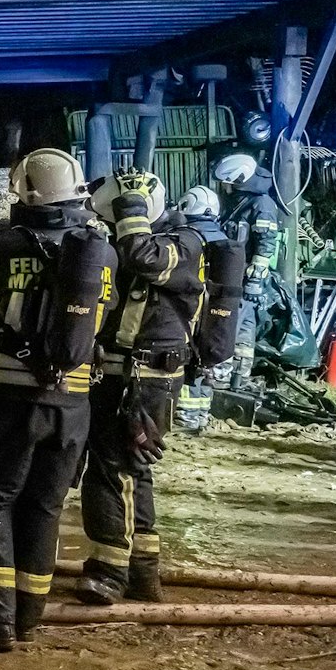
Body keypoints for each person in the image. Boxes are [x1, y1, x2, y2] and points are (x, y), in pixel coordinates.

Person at [0, 148, 118, 651]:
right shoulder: (102, 254)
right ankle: (28, 616)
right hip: (73, 404)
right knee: (44, 507)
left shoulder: (1, 247)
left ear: (25, 194)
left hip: (4, 400)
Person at [77, 170, 205, 605]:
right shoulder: (138, 241)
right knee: (127, 472)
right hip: (122, 375)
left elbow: (144, 258)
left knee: (115, 471)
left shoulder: (182, 244)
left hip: (146, 381)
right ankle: (141, 572)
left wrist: (128, 208)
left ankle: (109, 573)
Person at [211, 153, 281, 389]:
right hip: (235, 274)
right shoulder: (241, 201)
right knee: (241, 326)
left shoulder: (261, 205)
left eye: (227, 183)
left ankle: (226, 377)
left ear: (239, 180)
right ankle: (237, 377)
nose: (224, 188)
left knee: (233, 325)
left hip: (244, 278)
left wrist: (254, 282)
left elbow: (265, 245)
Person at [174, 186, 230, 433]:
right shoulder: (223, 239)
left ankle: (186, 419)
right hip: (217, 315)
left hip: (192, 311)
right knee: (205, 365)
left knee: (189, 364)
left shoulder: (188, 238)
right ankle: (201, 416)